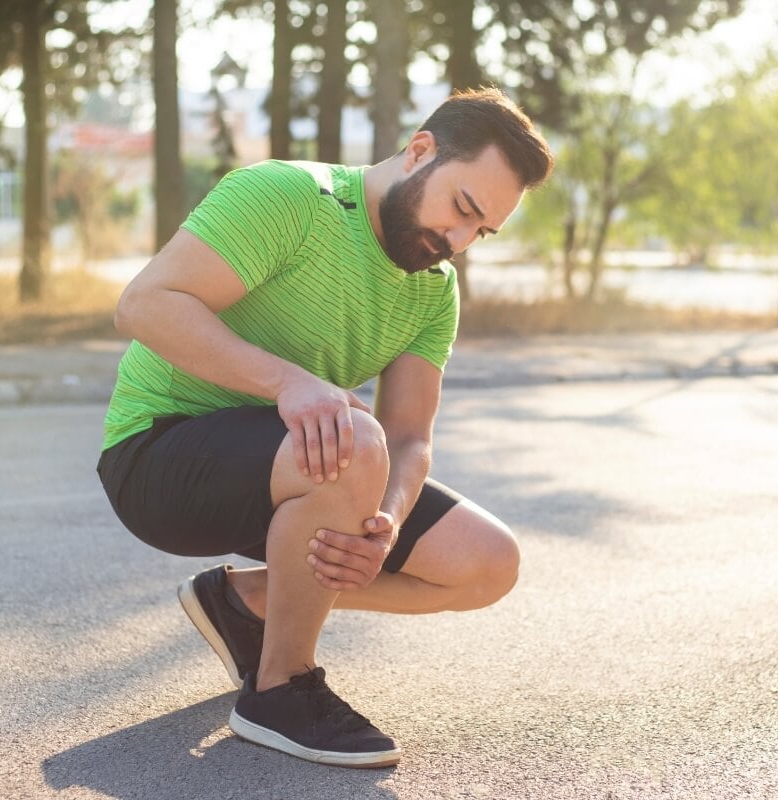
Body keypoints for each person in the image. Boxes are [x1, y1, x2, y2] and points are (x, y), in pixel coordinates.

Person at [96, 87, 553, 769]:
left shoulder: (432, 290)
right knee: (349, 436)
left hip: (293, 478)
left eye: (479, 233)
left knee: (487, 564)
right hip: (159, 458)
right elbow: (144, 306)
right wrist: (289, 382)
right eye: (462, 208)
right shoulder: (288, 197)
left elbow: (409, 437)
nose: (456, 244)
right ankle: (280, 690)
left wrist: (386, 523)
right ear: (420, 150)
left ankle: (247, 601)